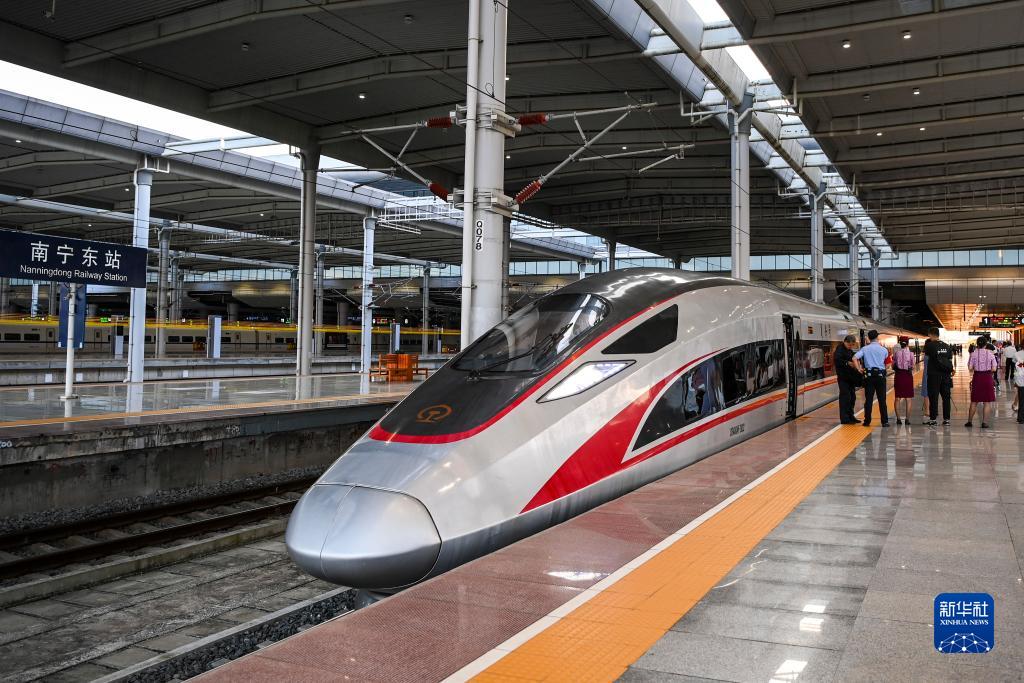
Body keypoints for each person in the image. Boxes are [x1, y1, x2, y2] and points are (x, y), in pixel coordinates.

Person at [853, 329, 890, 427]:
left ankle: (867, 421)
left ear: (869, 338)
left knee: (868, 400)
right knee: (882, 400)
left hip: (869, 377)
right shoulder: (884, 349)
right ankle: (885, 422)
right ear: (877, 337)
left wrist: (859, 369)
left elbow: (854, 358)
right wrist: (882, 369)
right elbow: (888, 364)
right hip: (880, 377)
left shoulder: (865, 349)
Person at [923, 327, 955, 426]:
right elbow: (950, 359)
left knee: (934, 397)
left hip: (934, 375)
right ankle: (946, 420)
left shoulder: (929, 345)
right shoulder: (946, 346)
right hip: (946, 375)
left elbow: (927, 358)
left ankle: (933, 419)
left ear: (930, 334)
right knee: (946, 398)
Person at [966, 338, 999, 428]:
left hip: (977, 377)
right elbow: (994, 368)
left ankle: (969, 422)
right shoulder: (991, 354)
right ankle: (984, 423)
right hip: (987, 377)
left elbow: (970, 368)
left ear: (977, 344)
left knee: (974, 401)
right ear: (986, 344)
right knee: (987, 402)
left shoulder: (973, 354)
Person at [834, 334, 861, 425]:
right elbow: (837, 361)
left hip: (850, 378)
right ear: (845, 342)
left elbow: (854, 358)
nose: (850, 346)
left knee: (852, 397)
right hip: (843, 378)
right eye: (849, 344)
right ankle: (845, 419)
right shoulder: (839, 350)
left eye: (852, 345)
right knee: (845, 398)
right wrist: (847, 363)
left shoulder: (850, 351)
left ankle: (851, 416)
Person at [892, 337, 915, 425]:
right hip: (907, 376)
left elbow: (893, 366)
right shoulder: (911, 354)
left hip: (898, 376)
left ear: (900, 343)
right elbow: (913, 366)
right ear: (907, 343)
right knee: (908, 399)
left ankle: (898, 419)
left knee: (897, 398)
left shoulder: (896, 354)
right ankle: (907, 419)